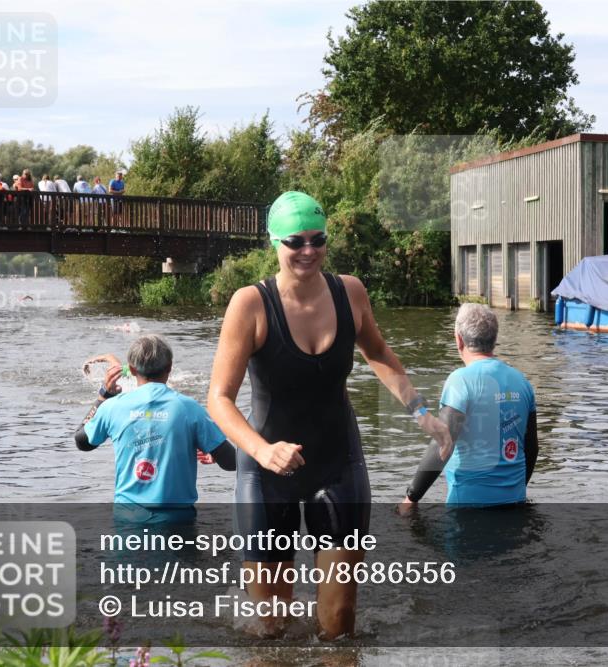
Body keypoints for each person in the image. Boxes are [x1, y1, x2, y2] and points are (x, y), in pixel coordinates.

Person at [207, 191, 451, 639]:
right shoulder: (250, 304)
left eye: (317, 240)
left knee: (339, 624)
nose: (308, 251)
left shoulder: (350, 291)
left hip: (338, 462)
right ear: (274, 243)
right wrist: (263, 451)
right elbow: (218, 398)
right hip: (266, 474)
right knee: (271, 628)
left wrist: (421, 412)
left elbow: (378, 351)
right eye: (295, 241)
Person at [75, 336, 237, 523]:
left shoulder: (112, 407)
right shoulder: (189, 409)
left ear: (133, 370)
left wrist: (103, 396)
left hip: (128, 518)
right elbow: (232, 462)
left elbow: (82, 442)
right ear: (169, 367)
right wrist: (214, 452)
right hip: (176, 521)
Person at [399, 303, 538, 509]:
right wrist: (513, 491)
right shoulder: (522, 382)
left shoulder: (460, 380)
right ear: (494, 339)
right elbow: (531, 448)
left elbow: (442, 443)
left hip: (467, 506)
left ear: (459, 339)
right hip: (514, 504)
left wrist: (411, 498)